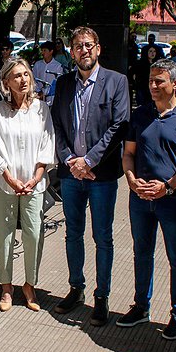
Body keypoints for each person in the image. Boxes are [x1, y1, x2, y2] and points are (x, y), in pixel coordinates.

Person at [118, 59, 176, 339]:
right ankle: (141, 306)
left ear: (175, 84)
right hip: (140, 199)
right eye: (151, 80)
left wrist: (167, 187)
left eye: (159, 81)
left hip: (173, 200)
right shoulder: (140, 115)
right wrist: (131, 180)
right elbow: (129, 153)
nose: (153, 86)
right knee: (142, 252)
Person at [51, 26, 130, 326]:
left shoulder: (116, 82)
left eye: (88, 45)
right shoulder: (63, 84)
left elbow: (119, 125)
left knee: (102, 236)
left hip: (102, 176)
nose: (84, 50)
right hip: (71, 174)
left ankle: (102, 296)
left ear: (98, 48)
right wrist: (71, 160)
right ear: (71, 52)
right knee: (73, 233)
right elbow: (56, 124)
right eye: (77, 46)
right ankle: (76, 287)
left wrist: (90, 161)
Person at [0, 58, 56, 312]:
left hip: (34, 185)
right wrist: (10, 179)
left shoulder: (41, 109)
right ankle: (6, 287)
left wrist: (36, 178)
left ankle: (30, 285)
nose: (23, 80)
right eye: (16, 76)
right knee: (3, 235)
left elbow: (47, 145)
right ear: (6, 82)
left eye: (26, 74)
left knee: (34, 235)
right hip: (5, 184)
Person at [33, 41, 64, 106]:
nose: (42, 52)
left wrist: (44, 92)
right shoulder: (38, 64)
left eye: (45, 50)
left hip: (51, 99)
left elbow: (56, 83)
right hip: (38, 97)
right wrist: (38, 92)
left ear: (51, 51)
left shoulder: (58, 66)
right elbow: (33, 79)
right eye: (42, 50)